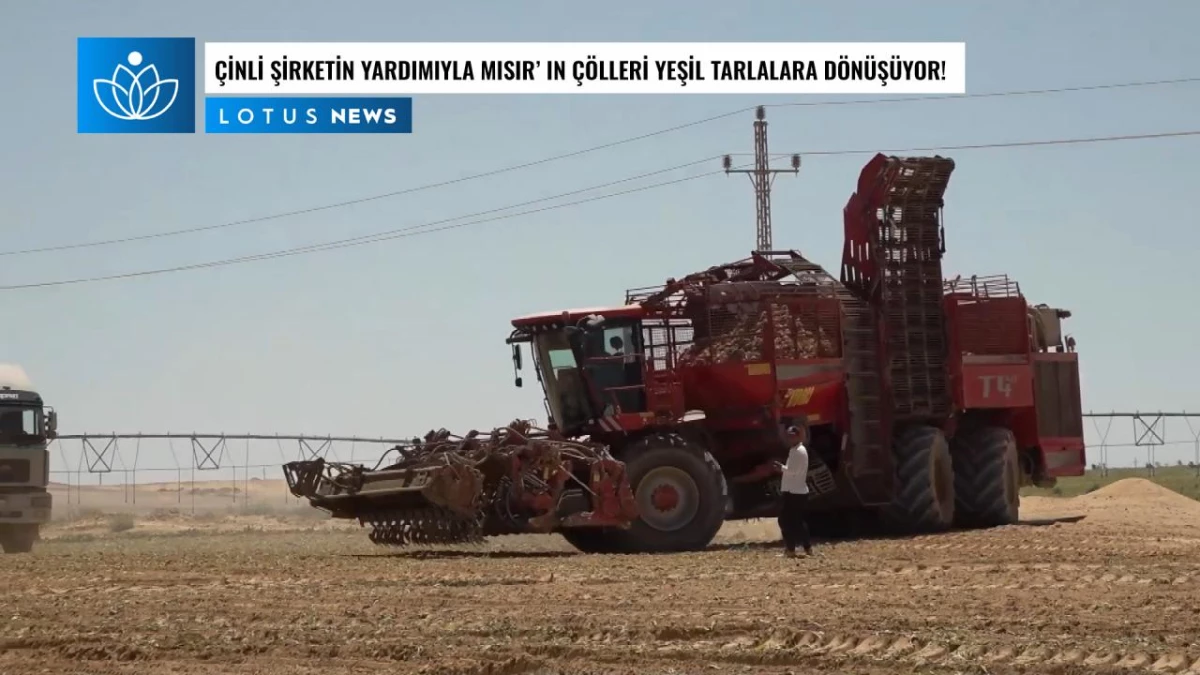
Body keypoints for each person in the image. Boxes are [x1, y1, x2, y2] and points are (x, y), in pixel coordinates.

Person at [777, 424, 813, 557]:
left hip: (795, 492)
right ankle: (804, 548)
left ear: (798, 436)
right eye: (788, 436)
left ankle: (791, 549)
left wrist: (781, 468)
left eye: (792, 436)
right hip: (793, 490)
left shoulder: (799, 451)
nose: (790, 439)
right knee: (795, 521)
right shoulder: (795, 450)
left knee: (786, 520)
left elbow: (794, 471)